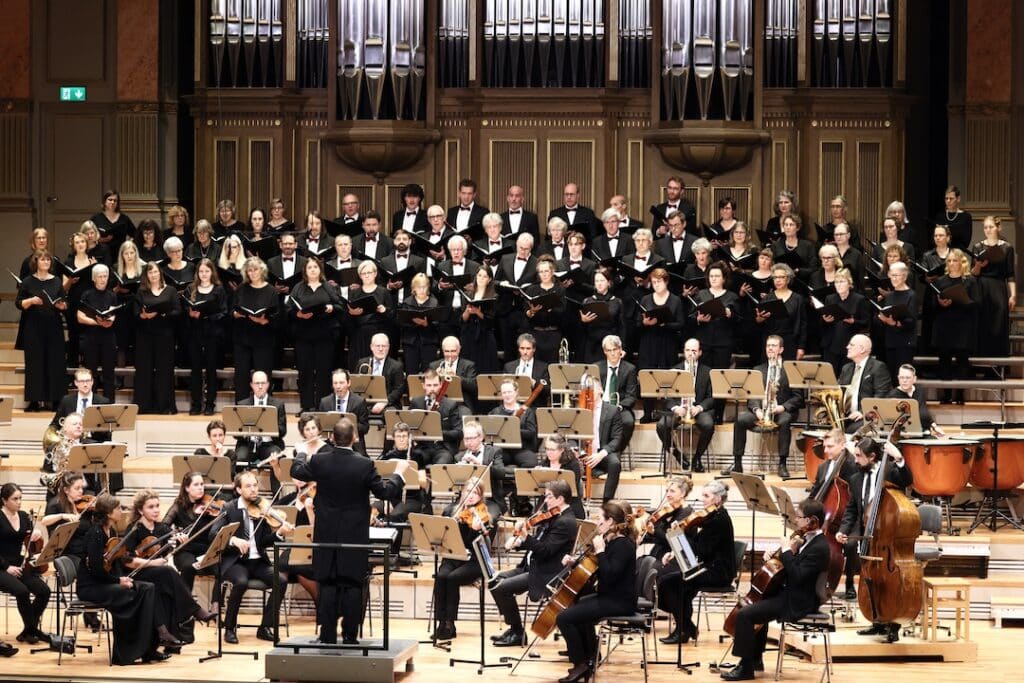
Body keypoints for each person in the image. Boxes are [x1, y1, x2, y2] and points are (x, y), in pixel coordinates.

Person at [290, 418, 409, 644]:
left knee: (327, 583)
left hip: (325, 535)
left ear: (332, 438)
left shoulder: (319, 460)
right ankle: (350, 636)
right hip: (354, 536)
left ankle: (327, 635)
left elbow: (296, 470)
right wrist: (399, 474)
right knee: (353, 583)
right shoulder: (364, 464)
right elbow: (384, 493)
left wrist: (301, 452)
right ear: (354, 438)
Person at [721, 499, 830, 680]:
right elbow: (791, 568)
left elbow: (797, 575)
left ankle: (745, 667)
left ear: (812, 521)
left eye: (799, 517)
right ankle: (755, 659)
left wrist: (787, 551)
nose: (796, 520)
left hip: (799, 602)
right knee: (758, 606)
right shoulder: (807, 540)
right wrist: (774, 557)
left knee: (745, 615)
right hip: (791, 593)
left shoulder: (820, 547)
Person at [836, 438, 914, 642]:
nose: (855, 459)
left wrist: (899, 458)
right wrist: (843, 530)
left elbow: (907, 479)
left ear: (872, 456)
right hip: (868, 536)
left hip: (888, 536)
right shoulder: (855, 478)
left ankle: (893, 624)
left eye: (859, 456)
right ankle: (877, 622)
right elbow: (853, 508)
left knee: (890, 582)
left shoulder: (889, 472)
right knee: (872, 578)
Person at [78, 492, 168, 664]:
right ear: (109, 513)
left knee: (147, 588)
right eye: (118, 508)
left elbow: (116, 562)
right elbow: (96, 569)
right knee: (131, 596)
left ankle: (149, 649)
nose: (122, 511)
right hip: (91, 586)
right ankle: (125, 654)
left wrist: (122, 578)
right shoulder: (95, 533)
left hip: (106, 582)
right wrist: (118, 581)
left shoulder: (110, 530)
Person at [555, 500, 638, 683]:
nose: (597, 522)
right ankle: (590, 658)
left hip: (620, 602)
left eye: (600, 518)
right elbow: (596, 571)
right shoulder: (612, 541)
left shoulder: (624, 545)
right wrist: (575, 563)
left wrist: (600, 551)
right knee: (577, 608)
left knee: (563, 618)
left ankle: (580, 665)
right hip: (609, 597)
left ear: (610, 522)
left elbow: (609, 576)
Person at [122, 490, 218, 646]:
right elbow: (127, 561)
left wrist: (180, 540)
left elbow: (173, 541)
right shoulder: (134, 529)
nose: (156, 510)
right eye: (151, 507)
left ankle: (165, 633)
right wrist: (152, 563)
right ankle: (194, 610)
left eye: (157, 506)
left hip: (156, 574)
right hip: (137, 574)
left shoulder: (161, 529)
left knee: (164, 586)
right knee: (168, 572)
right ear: (140, 510)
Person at [490, 479, 577, 647]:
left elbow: (545, 550)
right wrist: (520, 542)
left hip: (547, 573)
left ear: (560, 499)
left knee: (501, 588)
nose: (545, 501)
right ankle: (515, 629)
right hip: (532, 566)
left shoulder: (565, 521)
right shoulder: (555, 515)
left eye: (549, 497)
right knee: (494, 581)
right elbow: (538, 542)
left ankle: (517, 632)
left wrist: (525, 536)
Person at [210, 470, 291, 645]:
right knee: (240, 582)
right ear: (238, 489)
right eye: (248, 486)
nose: (254, 490)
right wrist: (233, 539)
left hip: (258, 561)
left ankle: (265, 627)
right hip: (236, 562)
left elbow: (264, 542)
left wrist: (279, 534)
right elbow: (213, 534)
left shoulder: (262, 508)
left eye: (255, 485)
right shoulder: (229, 508)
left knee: (281, 581)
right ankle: (230, 628)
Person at [658, 480, 735, 645]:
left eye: (706, 496)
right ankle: (685, 628)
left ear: (718, 500)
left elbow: (702, 550)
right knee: (673, 584)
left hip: (718, 572)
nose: (702, 499)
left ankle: (684, 628)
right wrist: (674, 551)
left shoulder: (718, 520)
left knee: (670, 583)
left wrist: (680, 535)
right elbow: (699, 544)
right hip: (708, 567)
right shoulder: (713, 516)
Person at [727, 335, 804, 477]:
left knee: (785, 420)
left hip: (781, 411)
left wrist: (782, 407)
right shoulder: (758, 369)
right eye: (768, 346)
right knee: (740, 419)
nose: (770, 348)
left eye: (773, 346)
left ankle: (782, 464)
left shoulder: (791, 370)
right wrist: (756, 410)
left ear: (781, 349)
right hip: (761, 412)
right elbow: (752, 395)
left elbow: (798, 398)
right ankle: (737, 463)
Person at [430, 482, 493, 641]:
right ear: (463, 493)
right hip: (453, 556)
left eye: (476, 493)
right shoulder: (451, 511)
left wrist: (475, 530)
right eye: (469, 492)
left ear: (481, 496)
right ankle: (441, 622)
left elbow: (477, 546)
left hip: (473, 560)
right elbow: (443, 537)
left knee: (452, 578)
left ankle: (450, 624)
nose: (471, 496)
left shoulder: (482, 515)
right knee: (441, 577)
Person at [807, 429, 860, 600]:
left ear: (843, 445)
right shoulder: (823, 467)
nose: (825, 451)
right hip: (829, 518)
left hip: (851, 516)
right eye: (825, 446)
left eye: (830, 446)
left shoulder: (853, 464)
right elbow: (815, 493)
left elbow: (857, 494)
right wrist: (803, 511)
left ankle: (850, 583)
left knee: (851, 545)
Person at [16, 250, 67, 411]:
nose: (46, 262)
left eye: (48, 260)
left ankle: (56, 399)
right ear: (35, 262)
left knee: (55, 361)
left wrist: (62, 305)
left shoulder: (57, 281)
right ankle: (34, 400)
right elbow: (18, 303)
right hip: (33, 326)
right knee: (34, 363)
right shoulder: (28, 282)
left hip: (53, 325)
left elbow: (64, 303)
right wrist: (31, 300)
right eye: (43, 259)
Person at [0, 483, 51, 646]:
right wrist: (7, 567)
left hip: (21, 566)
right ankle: (32, 630)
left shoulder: (23, 516)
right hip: (2, 567)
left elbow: (29, 540)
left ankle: (29, 629)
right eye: (15, 499)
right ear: (4, 500)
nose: (19, 502)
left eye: (20, 498)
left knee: (44, 591)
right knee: (22, 591)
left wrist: (36, 534)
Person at [289, 257, 341, 412]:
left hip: (324, 335)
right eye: (309, 267)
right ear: (305, 270)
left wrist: (332, 307)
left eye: (315, 267)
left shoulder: (328, 287)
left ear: (320, 270)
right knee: (305, 372)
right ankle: (306, 406)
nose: (312, 269)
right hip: (303, 336)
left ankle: (322, 406)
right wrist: (298, 315)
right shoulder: (298, 287)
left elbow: (340, 306)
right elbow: (288, 309)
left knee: (324, 372)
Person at [655, 338, 714, 472]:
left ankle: (697, 459)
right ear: (684, 352)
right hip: (679, 409)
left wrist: (699, 408)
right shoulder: (674, 370)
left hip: (697, 410)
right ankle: (678, 456)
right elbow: (666, 396)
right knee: (661, 426)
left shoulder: (708, 372)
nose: (690, 353)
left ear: (700, 353)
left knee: (708, 425)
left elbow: (711, 398)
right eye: (687, 350)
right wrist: (676, 408)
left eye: (694, 350)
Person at [133, 261, 180, 414]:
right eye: (150, 272)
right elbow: (135, 313)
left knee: (164, 370)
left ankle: (165, 406)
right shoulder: (141, 291)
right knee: (144, 370)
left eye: (155, 272)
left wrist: (162, 313)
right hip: (145, 335)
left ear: (160, 273)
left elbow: (178, 311)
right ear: (146, 275)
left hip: (165, 335)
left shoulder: (170, 290)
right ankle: (144, 405)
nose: (153, 275)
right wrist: (143, 315)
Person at [161, 472, 221, 590]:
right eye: (196, 484)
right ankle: (186, 603)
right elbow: (163, 526)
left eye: (202, 484)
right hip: (185, 550)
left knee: (222, 567)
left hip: (205, 550)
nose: (200, 487)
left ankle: (216, 604)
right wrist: (176, 534)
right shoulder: (178, 506)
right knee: (188, 567)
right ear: (187, 488)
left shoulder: (209, 505)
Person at [231, 257, 280, 401]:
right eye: (249, 270)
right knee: (241, 375)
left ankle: (265, 405)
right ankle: (241, 406)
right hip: (242, 337)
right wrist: (235, 314)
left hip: (263, 338)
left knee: (263, 375)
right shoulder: (241, 288)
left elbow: (277, 316)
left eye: (255, 269)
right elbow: (232, 310)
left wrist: (265, 320)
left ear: (262, 270)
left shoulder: (271, 290)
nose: (252, 273)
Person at [184, 258, 228, 415]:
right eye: (201, 271)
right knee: (195, 370)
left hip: (212, 334)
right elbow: (185, 310)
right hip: (195, 333)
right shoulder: (191, 289)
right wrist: (190, 314)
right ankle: (196, 403)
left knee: (211, 370)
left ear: (212, 272)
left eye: (207, 271)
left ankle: (210, 403)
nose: (203, 274)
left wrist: (207, 316)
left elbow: (224, 312)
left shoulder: (218, 289)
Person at [971, 215, 1016, 356]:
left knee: (999, 323)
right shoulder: (978, 247)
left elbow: (1010, 274)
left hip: (998, 287)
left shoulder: (1007, 248)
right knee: (983, 323)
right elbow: (973, 273)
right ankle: (981, 363)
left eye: (991, 227)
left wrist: (1013, 295)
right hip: (981, 287)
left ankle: (998, 365)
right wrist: (978, 266)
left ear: (999, 227)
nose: (988, 230)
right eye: (985, 227)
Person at [408, 369, 468, 465]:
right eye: (429, 385)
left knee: (440, 466)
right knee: (410, 463)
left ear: (440, 384)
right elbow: (408, 426)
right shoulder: (416, 402)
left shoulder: (451, 404)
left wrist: (438, 433)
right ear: (423, 386)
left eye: (435, 385)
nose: (432, 389)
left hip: (443, 449)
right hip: (422, 448)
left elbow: (458, 433)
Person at [77, 264, 119, 399]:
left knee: (109, 373)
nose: (102, 279)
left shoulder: (112, 295)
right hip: (91, 337)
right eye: (100, 276)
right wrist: (97, 322)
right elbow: (80, 317)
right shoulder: (87, 294)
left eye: (105, 276)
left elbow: (113, 315)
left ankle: (109, 402)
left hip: (108, 336)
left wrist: (108, 321)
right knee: (90, 372)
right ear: (94, 278)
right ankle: (90, 402)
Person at [818, 267, 871, 375]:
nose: (839, 284)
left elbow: (866, 322)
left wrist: (853, 321)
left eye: (842, 281)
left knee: (847, 377)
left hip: (850, 345)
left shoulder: (859, 299)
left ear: (849, 283)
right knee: (830, 377)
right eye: (836, 282)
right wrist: (825, 320)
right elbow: (823, 322)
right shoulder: (830, 298)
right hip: (831, 344)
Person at [837, 334, 893, 433]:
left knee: (850, 430)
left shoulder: (878, 367)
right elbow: (839, 392)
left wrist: (863, 412)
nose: (847, 347)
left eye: (851, 345)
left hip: (867, 417)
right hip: (846, 416)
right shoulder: (846, 368)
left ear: (862, 349)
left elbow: (881, 395)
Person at [233, 370, 286, 469]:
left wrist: (268, 428)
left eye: (263, 383)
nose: (260, 386)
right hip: (247, 444)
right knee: (239, 459)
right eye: (257, 383)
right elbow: (236, 434)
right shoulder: (242, 405)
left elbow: (283, 430)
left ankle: (276, 485)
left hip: (269, 444)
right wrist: (245, 432)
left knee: (277, 459)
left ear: (268, 385)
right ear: (252, 385)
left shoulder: (278, 405)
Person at [755, 264, 807, 361]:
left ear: (788, 279)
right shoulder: (767, 298)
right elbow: (758, 323)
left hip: (790, 341)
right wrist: (759, 320)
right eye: (775, 277)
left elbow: (803, 325)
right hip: (770, 341)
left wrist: (801, 347)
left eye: (781, 277)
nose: (777, 280)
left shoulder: (798, 299)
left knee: (787, 373)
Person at [596, 335, 638, 453]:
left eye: (615, 350)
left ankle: (616, 452)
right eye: (609, 350)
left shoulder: (630, 369)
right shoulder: (597, 367)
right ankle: (596, 452)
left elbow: (631, 396)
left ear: (620, 350)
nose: (613, 353)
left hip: (620, 407)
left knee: (628, 422)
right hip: (601, 405)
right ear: (605, 352)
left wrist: (619, 406)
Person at [876, 261, 917, 380]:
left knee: (903, 377)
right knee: (892, 377)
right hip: (891, 340)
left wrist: (894, 323)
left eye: (896, 275)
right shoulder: (890, 296)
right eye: (891, 275)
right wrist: (882, 318)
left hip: (905, 343)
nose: (893, 278)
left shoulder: (911, 295)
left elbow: (912, 322)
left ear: (904, 276)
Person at [317, 368, 370, 457]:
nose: (338, 386)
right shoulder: (325, 402)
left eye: (341, 383)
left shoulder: (359, 402)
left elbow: (365, 427)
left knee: (361, 459)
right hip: (331, 442)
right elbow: (320, 427)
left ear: (348, 383)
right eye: (335, 383)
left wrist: (346, 428)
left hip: (353, 442)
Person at [488, 378, 539, 470]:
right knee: (490, 460)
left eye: (510, 392)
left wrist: (514, 430)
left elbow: (531, 433)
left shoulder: (527, 411)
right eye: (504, 392)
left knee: (531, 462)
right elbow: (489, 434)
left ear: (516, 392)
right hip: (502, 449)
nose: (507, 395)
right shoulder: (495, 412)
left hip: (522, 449)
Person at [398, 273, 441, 374]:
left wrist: (426, 324)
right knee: (411, 370)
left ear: (428, 287)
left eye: (424, 287)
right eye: (419, 287)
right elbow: (402, 322)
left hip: (429, 341)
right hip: (410, 341)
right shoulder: (407, 302)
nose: (422, 290)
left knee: (429, 371)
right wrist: (415, 323)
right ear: (414, 288)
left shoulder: (434, 302)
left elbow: (438, 324)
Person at [642, 477, 694, 561]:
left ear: (683, 494)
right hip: (659, 553)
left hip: (672, 558)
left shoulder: (687, 513)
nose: (668, 494)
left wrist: (654, 531)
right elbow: (658, 536)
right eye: (667, 491)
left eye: (672, 491)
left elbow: (674, 541)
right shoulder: (671, 511)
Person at [579, 267, 624, 363]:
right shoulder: (587, 301)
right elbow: (582, 330)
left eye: (602, 280)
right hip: (592, 345)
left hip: (611, 346)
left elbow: (622, 327)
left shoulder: (617, 301)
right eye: (597, 281)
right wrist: (583, 321)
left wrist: (623, 347)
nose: (599, 283)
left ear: (609, 283)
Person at [357, 333, 406, 413]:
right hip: (366, 402)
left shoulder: (396, 366)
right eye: (377, 346)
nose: (380, 349)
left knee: (391, 413)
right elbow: (357, 386)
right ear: (371, 347)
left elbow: (398, 390)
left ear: (388, 347)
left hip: (388, 403)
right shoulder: (362, 363)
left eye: (384, 346)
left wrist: (384, 402)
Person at [889, 365, 944, 436]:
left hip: (923, 432)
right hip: (903, 435)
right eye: (901, 377)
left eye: (907, 377)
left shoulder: (920, 390)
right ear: (898, 378)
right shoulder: (893, 395)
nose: (904, 380)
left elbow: (924, 412)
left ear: (914, 379)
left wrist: (934, 426)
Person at [428, 337, 480, 412]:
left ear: (459, 350)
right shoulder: (434, 365)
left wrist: (456, 377)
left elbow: (473, 386)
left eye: (453, 351)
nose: (450, 355)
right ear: (442, 351)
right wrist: (436, 377)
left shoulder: (468, 365)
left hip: (461, 404)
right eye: (447, 351)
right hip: (439, 403)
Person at [502, 333, 550, 407]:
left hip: (534, 406)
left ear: (534, 349)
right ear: (518, 349)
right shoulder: (509, 367)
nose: (525, 352)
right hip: (514, 406)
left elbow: (548, 391)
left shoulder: (543, 367)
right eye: (522, 348)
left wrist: (535, 383)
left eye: (528, 348)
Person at [935, 185, 972, 251]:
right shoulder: (940, 216)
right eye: (946, 198)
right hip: (941, 252)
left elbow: (966, 242)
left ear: (958, 199)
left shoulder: (965, 217)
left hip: (957, 253)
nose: (948, 201)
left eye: (951, 198)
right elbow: (936, 238)